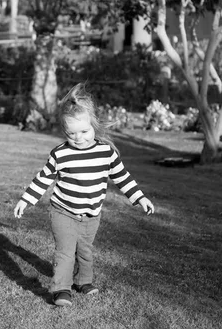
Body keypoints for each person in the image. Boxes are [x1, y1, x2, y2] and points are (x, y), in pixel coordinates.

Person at [13, 83, 155, 307]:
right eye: (71, 133)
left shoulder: (105, 153)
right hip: (63, 211)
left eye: (84, 132)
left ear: (94, 125)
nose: (78, 138)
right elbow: (43, 178)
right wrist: (26, 199)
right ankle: (61, 289)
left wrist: (139, 197)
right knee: (65, 252)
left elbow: (122, 177)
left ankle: (83, 281)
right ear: (64, 131)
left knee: (85, 251)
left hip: (91, 214)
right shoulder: (61, 154)